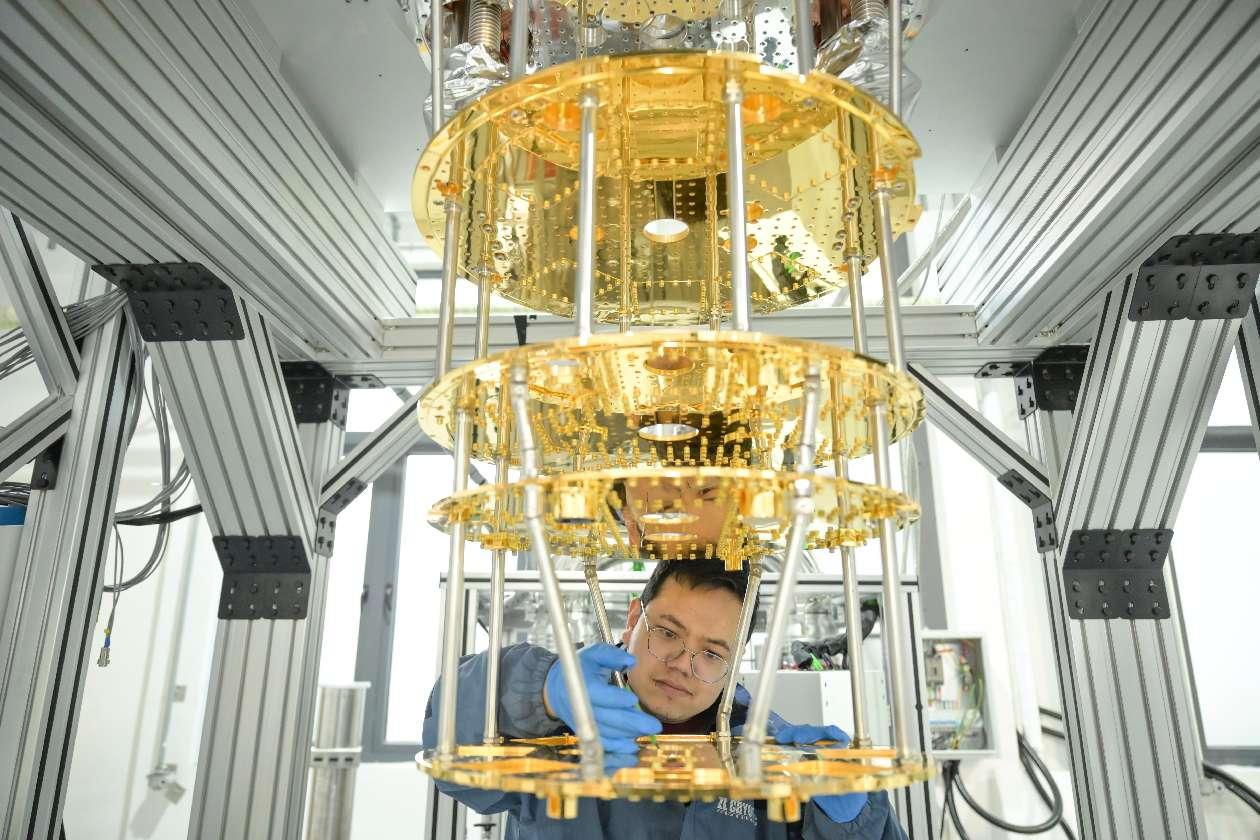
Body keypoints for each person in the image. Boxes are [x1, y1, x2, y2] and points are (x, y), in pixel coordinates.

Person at [422, 560, 909, 839]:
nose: (681, 664)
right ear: (634, 619)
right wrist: (539, 692)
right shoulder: (556, 725)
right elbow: (447, 749)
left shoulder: (770, 756)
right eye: (668, 633)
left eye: (712, 653)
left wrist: (855, 822)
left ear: (736, 660)